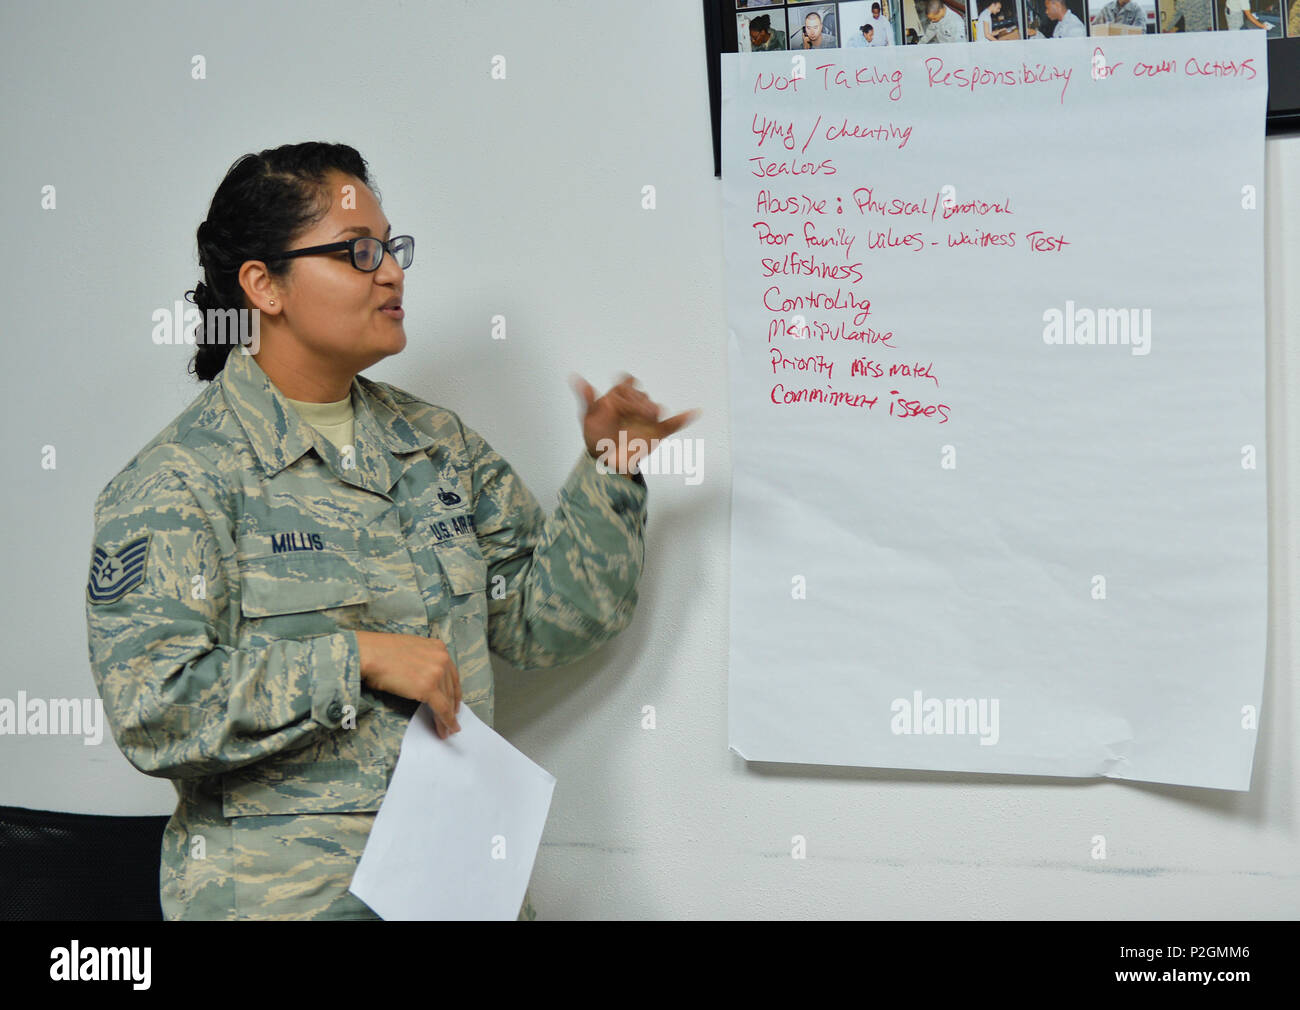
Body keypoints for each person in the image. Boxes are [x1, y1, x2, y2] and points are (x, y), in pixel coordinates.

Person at [83, 142, 696, 921]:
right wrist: (358, 660)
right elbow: (154, 713)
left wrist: (611, 467)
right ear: (263, 285)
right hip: (288, 903)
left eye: (391, 247)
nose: (392, 272)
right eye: (357, 252)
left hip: (462, 886)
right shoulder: (180, 480)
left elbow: (551, 623)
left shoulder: (436, 445)